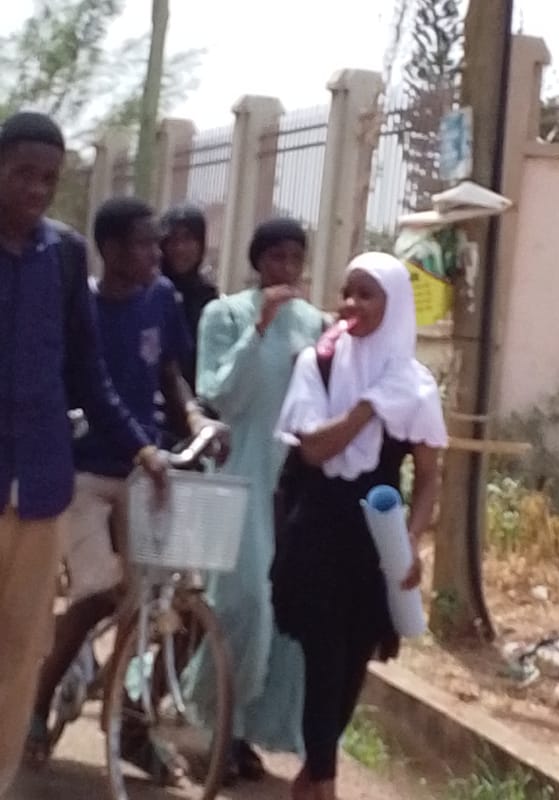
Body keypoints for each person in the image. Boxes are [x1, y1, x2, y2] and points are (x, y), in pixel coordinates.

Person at [26, 197, 226, 774]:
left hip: (146, 468)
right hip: (87, 472)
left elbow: (171, 373)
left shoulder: (162, 299)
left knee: (155, 604)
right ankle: (37, 701)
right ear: (110, 251)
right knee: (96, 593)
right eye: (142, 244)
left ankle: (126, 719)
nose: (155, 254)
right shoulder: (80, 305)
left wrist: (194, 418)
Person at [0, 113, 168, 795]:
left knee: (19, 653)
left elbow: (88, 372)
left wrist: (142, 448)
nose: (38, 188)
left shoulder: (64, 256)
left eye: (50, 177)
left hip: (42, 487)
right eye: (24, 174)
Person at [272, 252, 447, 800]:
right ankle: (324, 781)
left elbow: (429, 477)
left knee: (353, 662)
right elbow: (316, 449)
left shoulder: (416, 384)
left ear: (392, 307)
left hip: (377, 540)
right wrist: (370, 406)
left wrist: (412, 543)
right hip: (317, 529)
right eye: (346, 291)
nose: (350, 305)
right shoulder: (316, 364)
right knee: (324, 655)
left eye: (366, 294)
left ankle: (311, 776)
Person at [183, 218, 325, 781]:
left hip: (293, 484)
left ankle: (240, 730)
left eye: (296, 258)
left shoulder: (315, 324)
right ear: (258, 260)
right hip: (241, 474)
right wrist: (259, 328)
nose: (286, 269)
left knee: (287, 617)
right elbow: (221, 393)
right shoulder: (224, 316)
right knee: (244, 608)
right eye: (277, 257)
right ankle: (216, 721)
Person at [160, 203, 218, 390]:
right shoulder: (150, 291)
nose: (180, 249)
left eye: (188, 240)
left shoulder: (207, 296)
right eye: (172, 240)